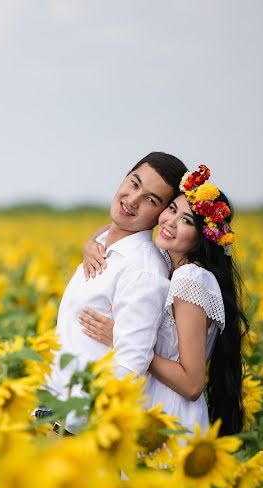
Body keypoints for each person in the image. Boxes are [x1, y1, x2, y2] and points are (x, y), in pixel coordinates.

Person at [78, 165, 248, 435]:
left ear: (202, 238)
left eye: (187, 221)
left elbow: (192, 384)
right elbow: (116, 226)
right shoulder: (170, 265)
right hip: (154, 414)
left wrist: (121, 338)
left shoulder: (189, 279)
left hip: (172, 419)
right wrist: (91, 243)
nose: (170, 222)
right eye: (171, 210)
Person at [42, 151, 187, 433]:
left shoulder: (143, 271)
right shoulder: (101, 244)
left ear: (163, 215)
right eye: (134, 183)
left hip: (80, 428)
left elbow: (130, 369)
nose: (132, 200)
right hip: (55, 410)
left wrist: (85, 434)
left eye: (151, 200)